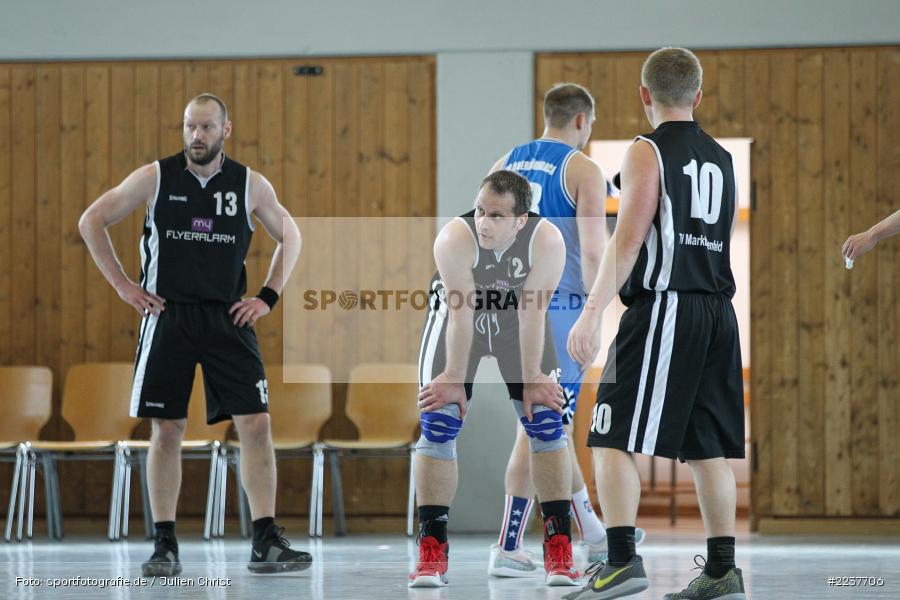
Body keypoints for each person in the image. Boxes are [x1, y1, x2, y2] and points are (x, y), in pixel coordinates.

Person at [79, 93, 309, 577]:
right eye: (189, 127)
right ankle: (165, 543)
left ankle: (265, 539)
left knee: (257, 423)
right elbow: (91, 220)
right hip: (169, 316)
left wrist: (267, 296)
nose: (196, 136)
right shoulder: (156, 177)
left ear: (226, 130)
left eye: (205, 127)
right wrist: (124, 286)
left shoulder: (250, 183)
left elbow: (292, 235)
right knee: (167, 429)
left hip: (229, 318)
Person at [564, 48, 747, 600]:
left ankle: (620, 560)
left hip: (666, 307)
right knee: (707, 446)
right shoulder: (720, 155)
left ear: (645, 95)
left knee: (607, 431)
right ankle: (722, 571)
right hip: (718, 311)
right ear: (698, 95)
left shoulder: (646, 150)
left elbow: (629, 239)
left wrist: (592, 314)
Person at [487, 83, 643, 578]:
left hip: (509, 312)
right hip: (560, 313)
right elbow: (597, 253)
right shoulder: (583, 169)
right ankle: (508, 545)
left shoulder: (505, 162)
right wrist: (596, 316)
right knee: (543, 434)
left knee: (539, 428)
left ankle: (593, 534)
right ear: (582, 121)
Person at [410, 170, 579, 588]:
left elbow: (532, 313)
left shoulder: (547, 240)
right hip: (456, 317)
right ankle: (432, 550)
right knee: (439, 419)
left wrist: (533, 379)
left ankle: (559, 547)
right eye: (481, 210)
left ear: (521, 219)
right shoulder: (454, 238)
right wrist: (451, 376)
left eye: (497, 216)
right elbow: (462, 314)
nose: (484, 222)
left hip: (516, 320)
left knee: (545, 419)